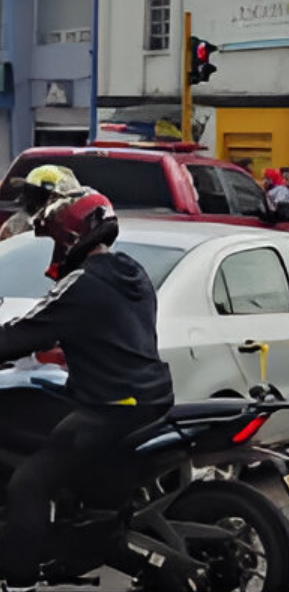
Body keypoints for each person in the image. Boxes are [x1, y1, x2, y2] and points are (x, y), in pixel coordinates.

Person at [0, 188, 174, 586]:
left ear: (68, 238)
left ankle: (18, 581)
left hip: (110, 407)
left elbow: (25, 331)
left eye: (51, 239)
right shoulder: (132, 271)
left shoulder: (80, 284)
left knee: (28, 482)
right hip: (151, 397)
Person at [1, 165, 81, 241]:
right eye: (30, 193)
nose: (33, 200)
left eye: (39, 195)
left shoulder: (74, 220)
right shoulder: (21, 220)